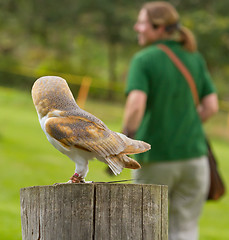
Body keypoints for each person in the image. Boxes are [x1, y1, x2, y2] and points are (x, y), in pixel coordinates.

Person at [122, 2, 218, 240]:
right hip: (196, 160)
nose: (137, 27)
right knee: (184, 230)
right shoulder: (194, 57)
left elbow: (135, 105)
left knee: (145, 229)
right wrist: (184, 126)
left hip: (156, 159)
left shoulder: (144, 60)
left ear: (159, 28)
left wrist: (123, 143)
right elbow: (211, 107)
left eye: (142, 22)